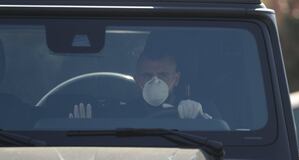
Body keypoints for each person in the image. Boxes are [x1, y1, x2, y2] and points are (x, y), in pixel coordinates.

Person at [69, 51, 215, 119]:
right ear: (137, 80)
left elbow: (218, 142)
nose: (155, 81)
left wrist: (200, 120)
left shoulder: (197, 109)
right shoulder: (118, 114)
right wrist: (83, 128)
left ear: (176, 79)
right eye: (147, 75)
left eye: (163, 75)